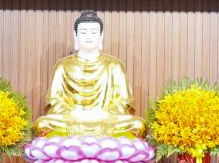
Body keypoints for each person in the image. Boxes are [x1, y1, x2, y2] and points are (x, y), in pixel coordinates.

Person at [32, 10, 145, 138]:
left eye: (94, 32)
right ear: (75, 35)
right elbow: (55, 101)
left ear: (101, 36)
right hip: (73, 118)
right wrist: (74, 113)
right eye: (84, 32)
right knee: (42, 125)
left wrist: (104, 113)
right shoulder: (63, 65)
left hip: (105, 118)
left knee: (138, 125)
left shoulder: (114, 65)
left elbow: (123, 102)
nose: (89, 36)